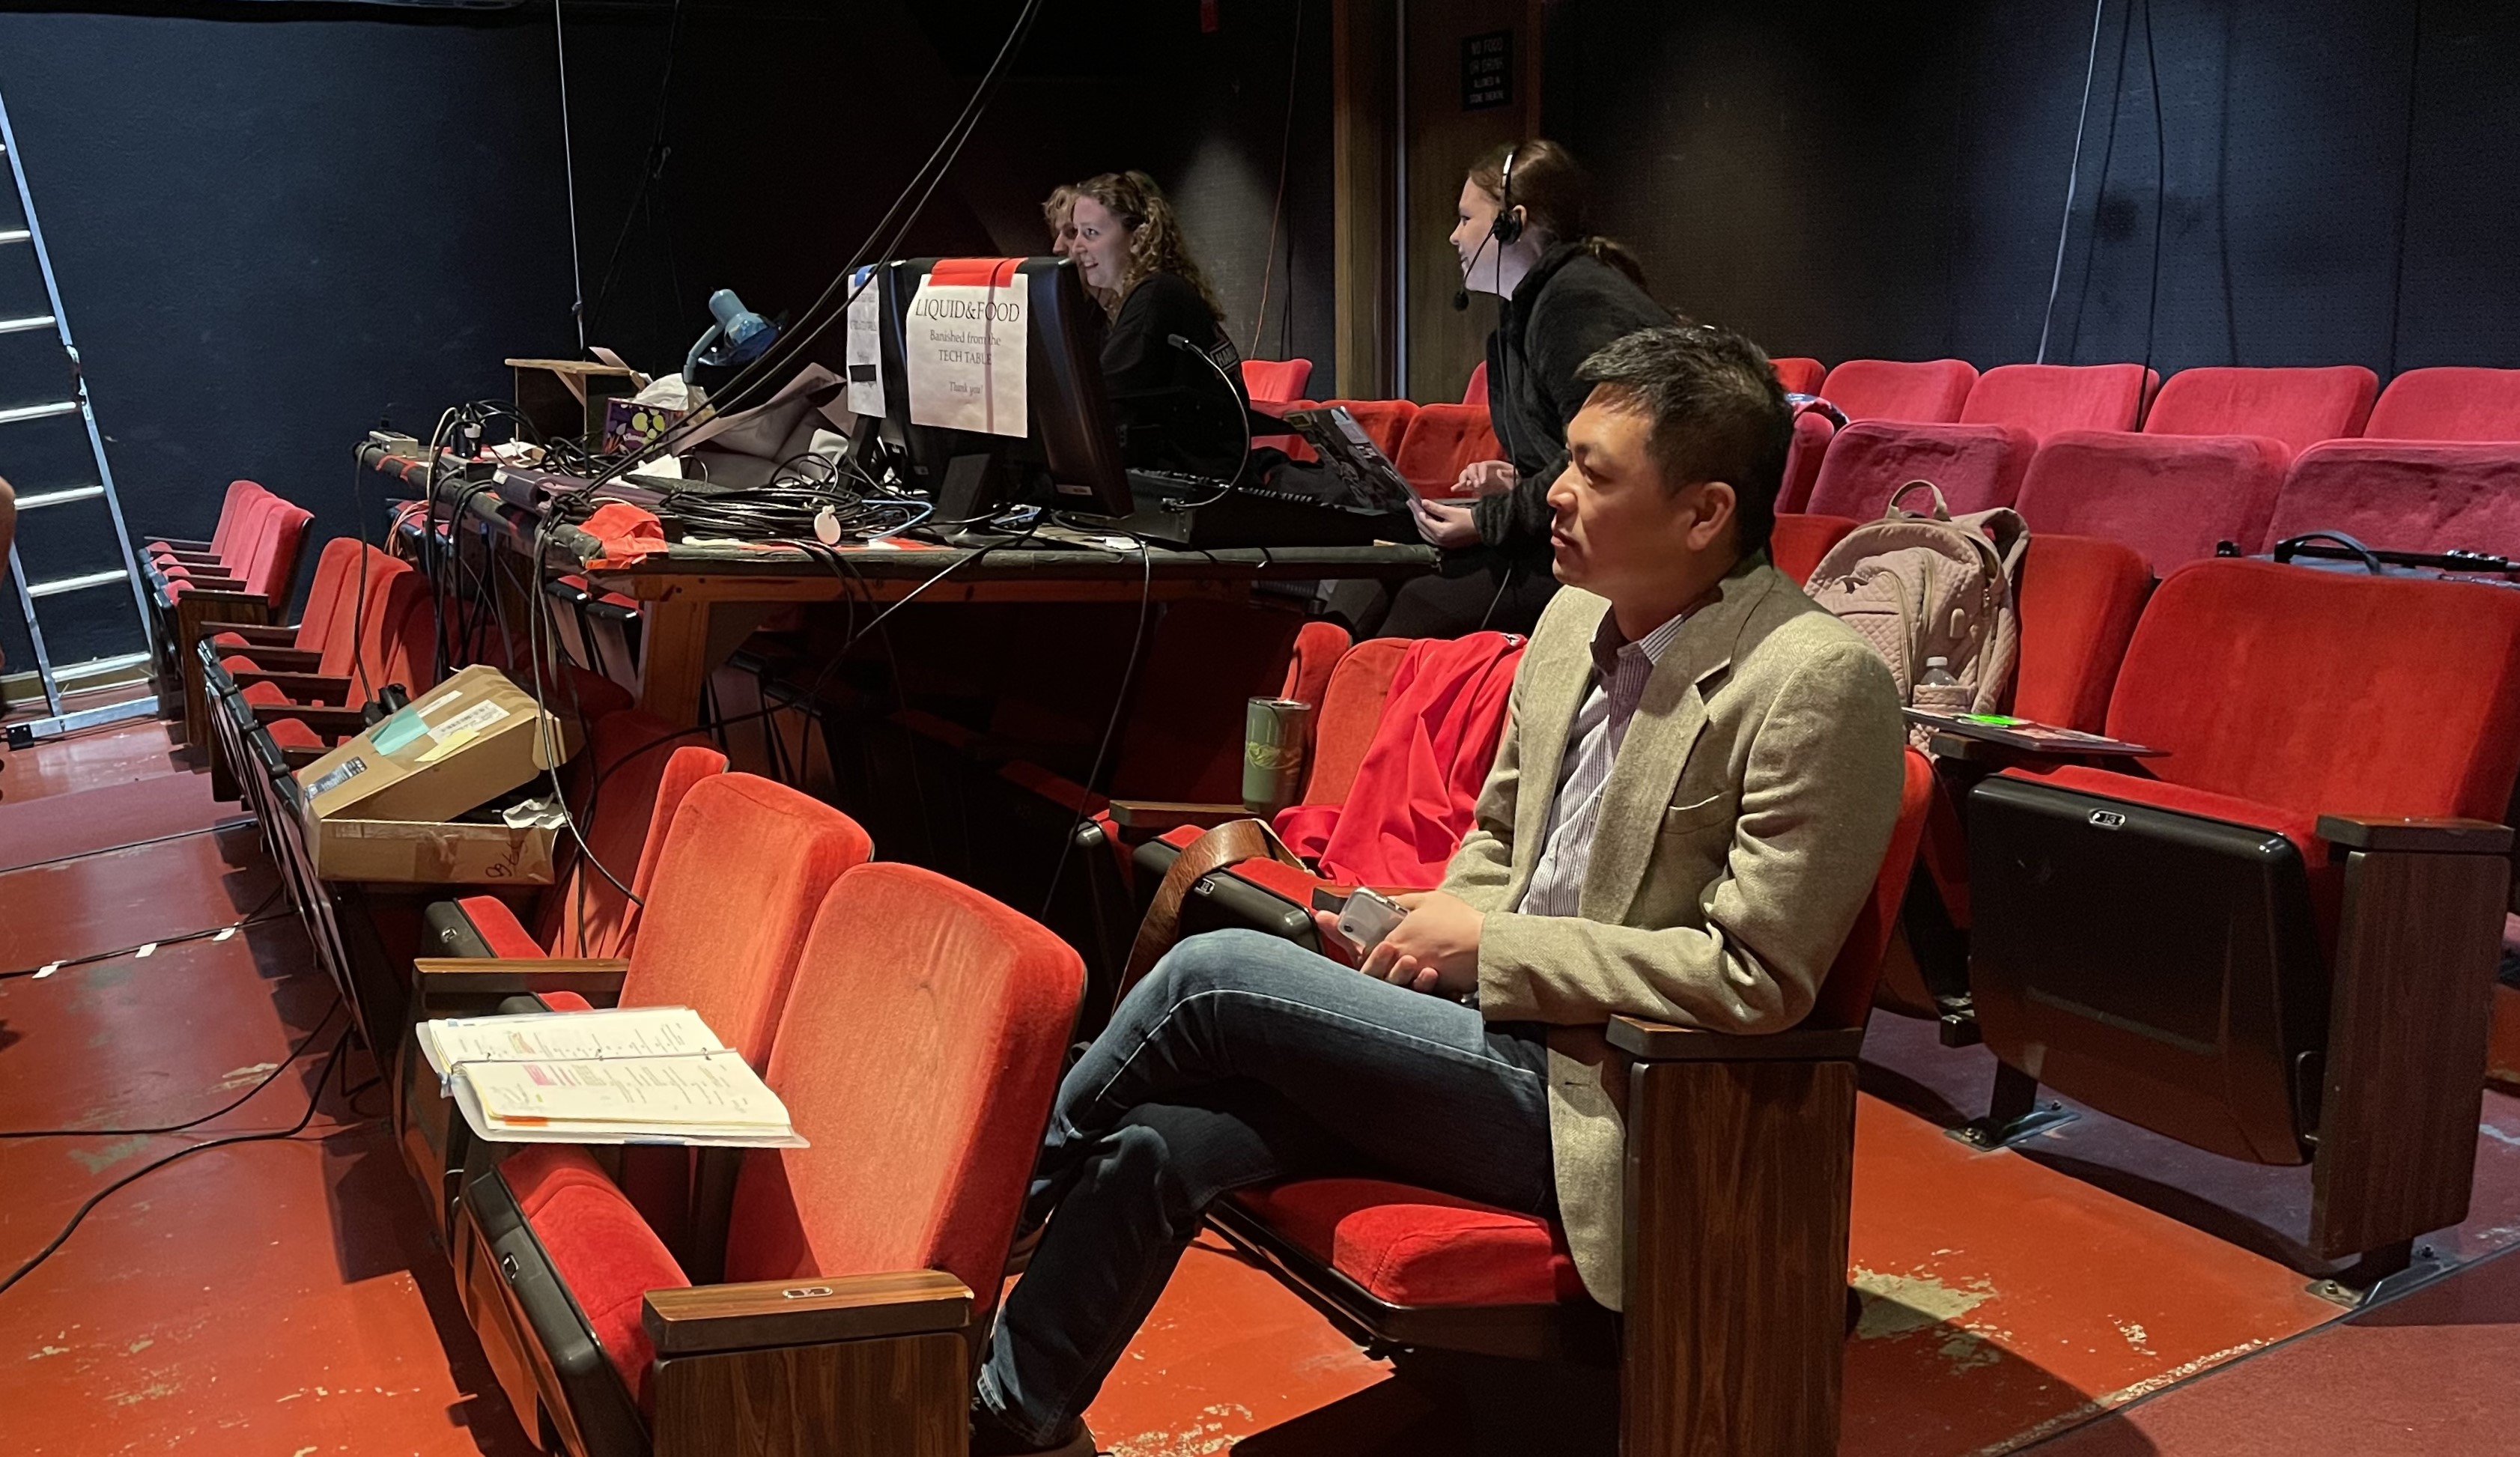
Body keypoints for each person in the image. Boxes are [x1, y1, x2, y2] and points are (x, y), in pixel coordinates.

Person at [968, 323, 1908, 1456]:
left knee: (1214, 978)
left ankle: (961, 1242)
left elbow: (1755, 980)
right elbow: (1501, 840)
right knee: (1167, 1139)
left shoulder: (1817, 684)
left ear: (1706, 512)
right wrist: (1425, 936)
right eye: (1565, 458)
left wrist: (1493, 951)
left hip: (1615, 1100)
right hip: (1480, 1034)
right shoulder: (1566, 621)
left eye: (1595, 473)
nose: (1552, 492)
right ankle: (1006, 1416)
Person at [1332, 139, 1674, 640]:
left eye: (1466, 219)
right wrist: (1519, 480)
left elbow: (1606, 459)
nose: (1453, 236)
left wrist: (1488, 521)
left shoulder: (1576, 307)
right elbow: (1572, 453)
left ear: (1512, 222)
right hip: (1572, 531)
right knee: (1376, 575)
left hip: (1620, 552)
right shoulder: (1539, 307)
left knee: (1420, 603)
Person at [1065, 169, 1248, 478]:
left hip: (1204, 486)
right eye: (1076, 233)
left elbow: (1100, 400)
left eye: (1091, 233)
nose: (1076, 247)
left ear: (1136, 239)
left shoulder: (1156, 296)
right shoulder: (1139, 298)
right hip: (1183, 477)